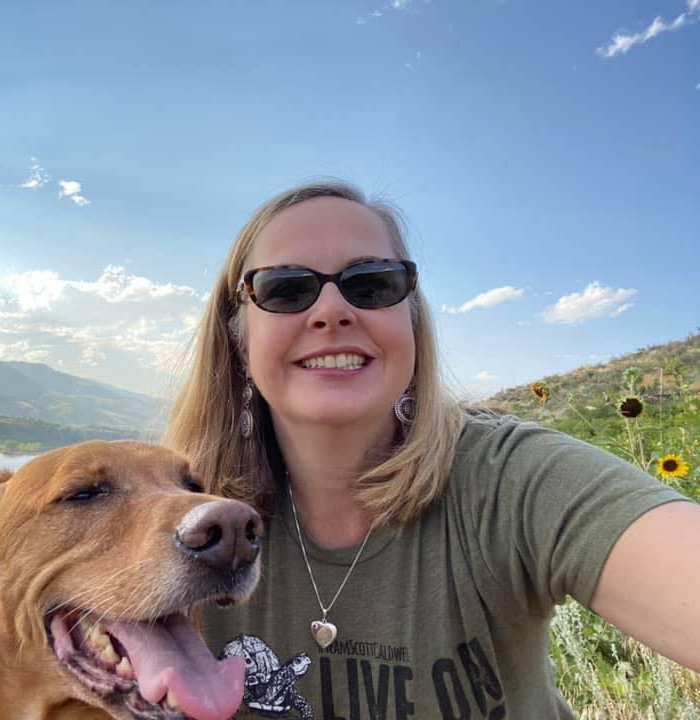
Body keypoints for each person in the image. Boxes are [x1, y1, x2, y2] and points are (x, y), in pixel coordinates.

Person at [163, 181, 700, 719]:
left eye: (372, 283)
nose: (331, 311)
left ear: (412, 321)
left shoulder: (510, 481)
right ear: (237, 335)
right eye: (284, 289)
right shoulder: (176, 518)